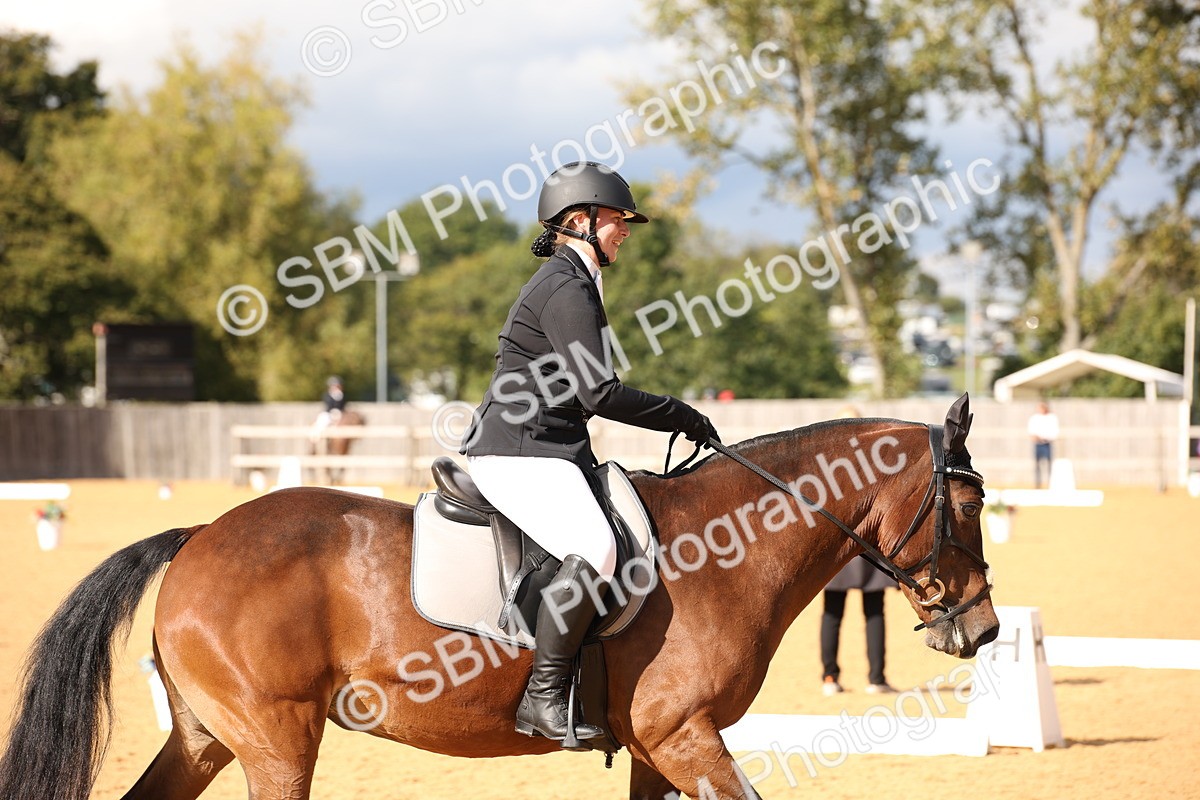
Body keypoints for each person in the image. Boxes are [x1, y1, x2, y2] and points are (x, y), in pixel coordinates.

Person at [460, 161, 720, 746]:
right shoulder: (564, 286)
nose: (625, 229)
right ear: (580, 221)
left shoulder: (577, 281)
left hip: (549, 449)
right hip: (520, 452)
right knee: (597, 547)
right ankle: (543, 695)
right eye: (617, 220)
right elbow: (597, 392)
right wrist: (679, 414)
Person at [820, 556, 896, 696]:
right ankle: (877, 680)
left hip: (839, 554)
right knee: (875, 613)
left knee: (832, 615)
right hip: (869, 553)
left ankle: (830, 679)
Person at [1027, 401, 1059, 489]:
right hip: (1038, 444)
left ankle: (1050, 484)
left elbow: (1054, 432)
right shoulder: (1035, 418)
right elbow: (1031, 432)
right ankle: (1037, 484)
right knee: (1037, 465)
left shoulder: (1051, 418)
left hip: (1047, 443)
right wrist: (1036, 437)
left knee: (1049, 465)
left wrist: (1045, 437)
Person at [310, 376, 346, 443]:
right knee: (323, 421)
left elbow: (342, 406)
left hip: (339, 413)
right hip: (328, 413)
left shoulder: (341, 396)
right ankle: (316, 438)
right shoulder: (327, 395)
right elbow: (328, 405)